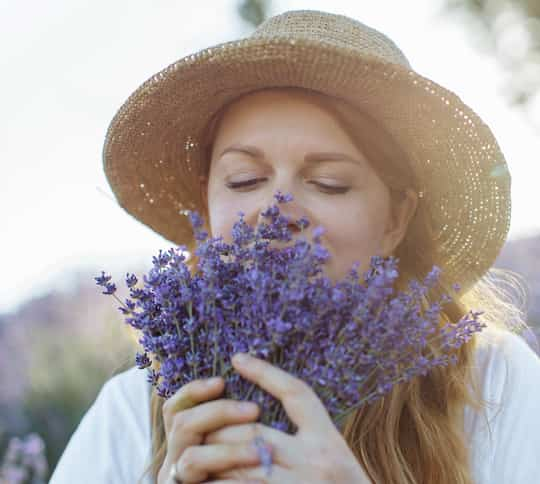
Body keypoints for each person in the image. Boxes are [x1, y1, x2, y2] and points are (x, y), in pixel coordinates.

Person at [49, 9, 540, 484]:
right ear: (206, 207)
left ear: (396, 217)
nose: (276, 210)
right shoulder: (134, 408)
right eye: (244, 180)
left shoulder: (493, 382)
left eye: (329, 183)